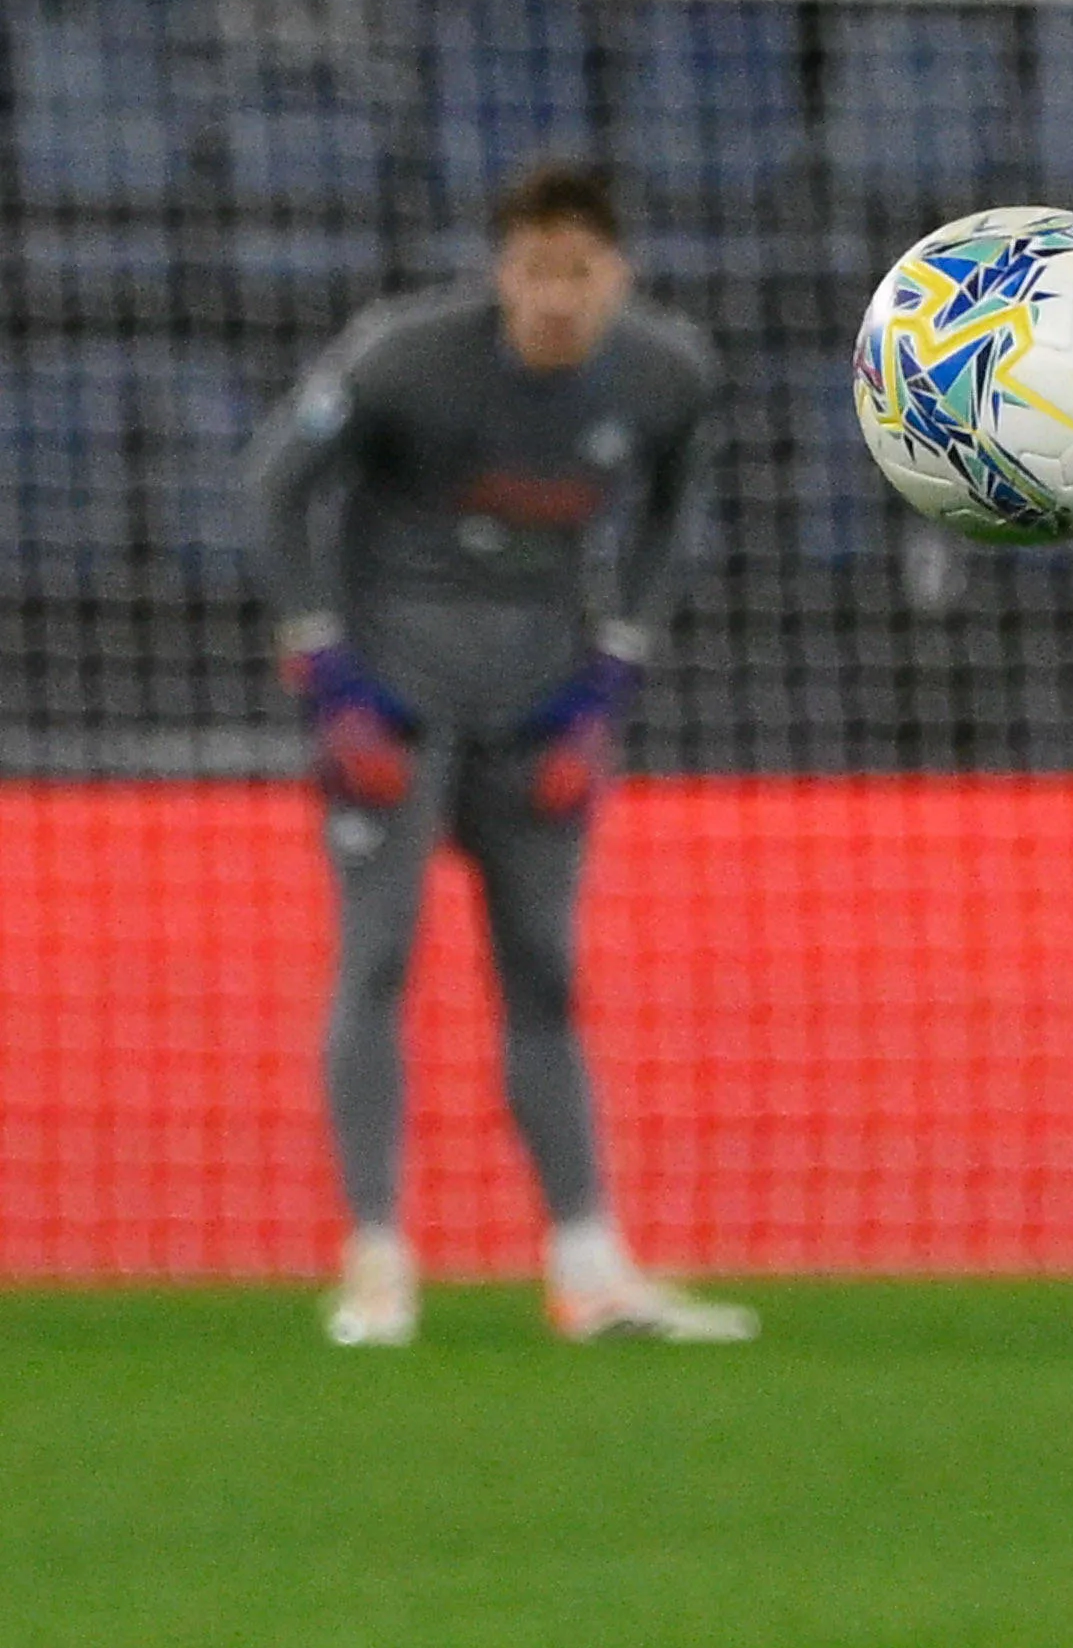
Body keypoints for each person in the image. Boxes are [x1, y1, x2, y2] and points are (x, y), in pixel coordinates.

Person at [246, 160, 753, 1348]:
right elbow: (272, 490)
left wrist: (612, 678)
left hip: (541, 709)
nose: (556, 297)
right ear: (502, 271)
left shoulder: (669, 376)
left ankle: (590, 1269)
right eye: (535, 270)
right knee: (376, 962)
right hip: (392, 707)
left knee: (545, 976)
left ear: (616, 275)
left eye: (579, 271)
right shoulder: (402, 358)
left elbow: (677, 513)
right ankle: (376, 1261)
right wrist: (327, 680)